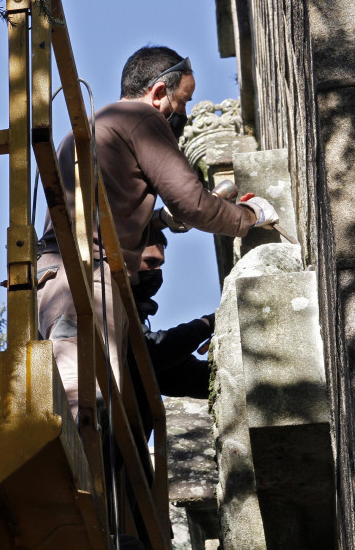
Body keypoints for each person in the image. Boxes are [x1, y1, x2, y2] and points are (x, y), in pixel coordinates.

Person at [36, 45, 277, 416]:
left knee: (75, 400)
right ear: (160, 92)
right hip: (86, 280)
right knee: (81, 406)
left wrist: (160, 220)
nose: (183, 113)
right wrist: (248, 215)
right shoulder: (141, 119)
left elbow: (99, 213)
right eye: (183, 101)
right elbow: (193, 204)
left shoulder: (86, 131)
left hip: (54, 280)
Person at [133, 230, 211, 399]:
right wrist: (207, 324)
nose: (157, 271)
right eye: (151, 262)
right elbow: (147, 353)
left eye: (161, 264)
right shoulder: (101, 301)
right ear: (127, 257)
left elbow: (180, 375)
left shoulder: (134, 312)